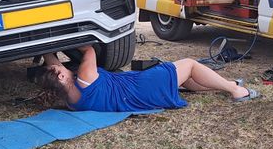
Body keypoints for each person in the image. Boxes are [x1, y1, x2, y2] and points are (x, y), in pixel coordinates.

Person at [38, 45, 260, 112]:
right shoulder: (85, 79)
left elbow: (53, 67)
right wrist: (72, 39)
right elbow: (89, 51)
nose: (62, 67)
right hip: (140, 87)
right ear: (61, 77)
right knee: (190, 64)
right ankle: (235, 90)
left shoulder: (71, 100)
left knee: (181, 80)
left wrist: (47, 46)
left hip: (139, 98)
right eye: (61, 69)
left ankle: (224, 86)